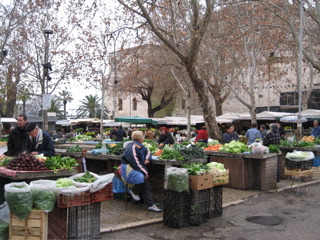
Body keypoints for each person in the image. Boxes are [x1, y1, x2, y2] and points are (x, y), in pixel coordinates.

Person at [120, 131, 161, 213]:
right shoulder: (131, 147)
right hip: (129, 170)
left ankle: (148, 203)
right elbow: (135, 163)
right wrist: (144, 171)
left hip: (135, 169)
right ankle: (135, 192)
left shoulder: (139, 146)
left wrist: (147, 159)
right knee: (143, 179)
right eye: (142, 137)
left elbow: (148, 151)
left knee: (144, 181)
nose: (143, 139)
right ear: (139, 139)